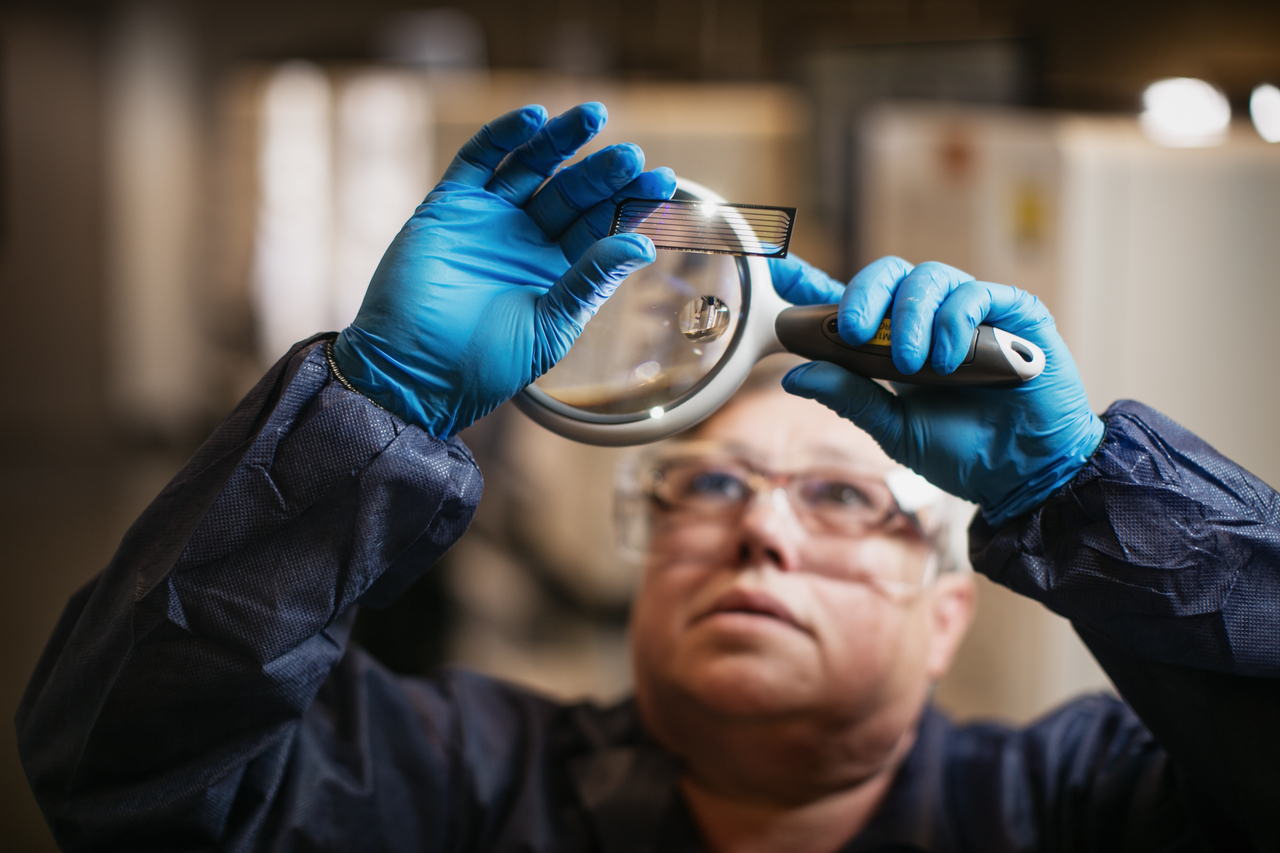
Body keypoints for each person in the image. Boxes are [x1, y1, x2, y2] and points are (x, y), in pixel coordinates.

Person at [16, 103, 1280, 852]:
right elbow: (119, 772)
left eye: (840, 499)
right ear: (646, 558)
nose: (758, 538)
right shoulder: (447, 781)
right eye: (709, 490)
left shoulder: (1078, 808)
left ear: (948, 608)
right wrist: (369, 409)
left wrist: (1082, 490)